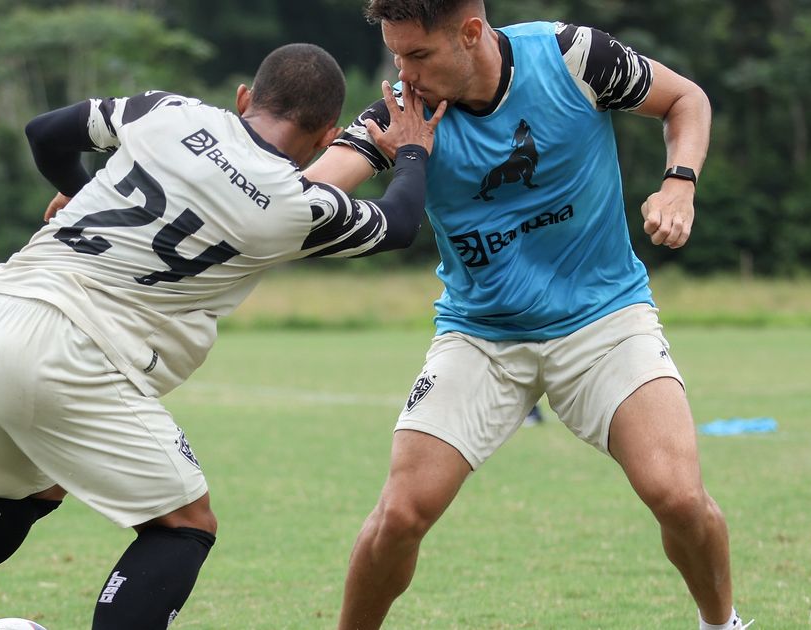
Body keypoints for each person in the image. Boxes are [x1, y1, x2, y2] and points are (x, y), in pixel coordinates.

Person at [0, 43, 445, 630]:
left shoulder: (168, 112)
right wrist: (411, 150)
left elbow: (44, 131)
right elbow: (401, 223)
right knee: (185, 524)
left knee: (27, 490)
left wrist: (78, 191)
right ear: (327, 133)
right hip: (67, 353)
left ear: (245, 98)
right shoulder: (295, 207)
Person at [303, 2, 750, 628]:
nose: (405, 74)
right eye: (396, 55)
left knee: (677, 496)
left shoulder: (573, 58)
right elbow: (315, 193)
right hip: (481, 336)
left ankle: (721, 623)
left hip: (604, 321)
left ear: (470, 32)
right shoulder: (403, 115)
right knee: (402, 513)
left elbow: (688, 100)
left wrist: (679, 182)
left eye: (420, 55)